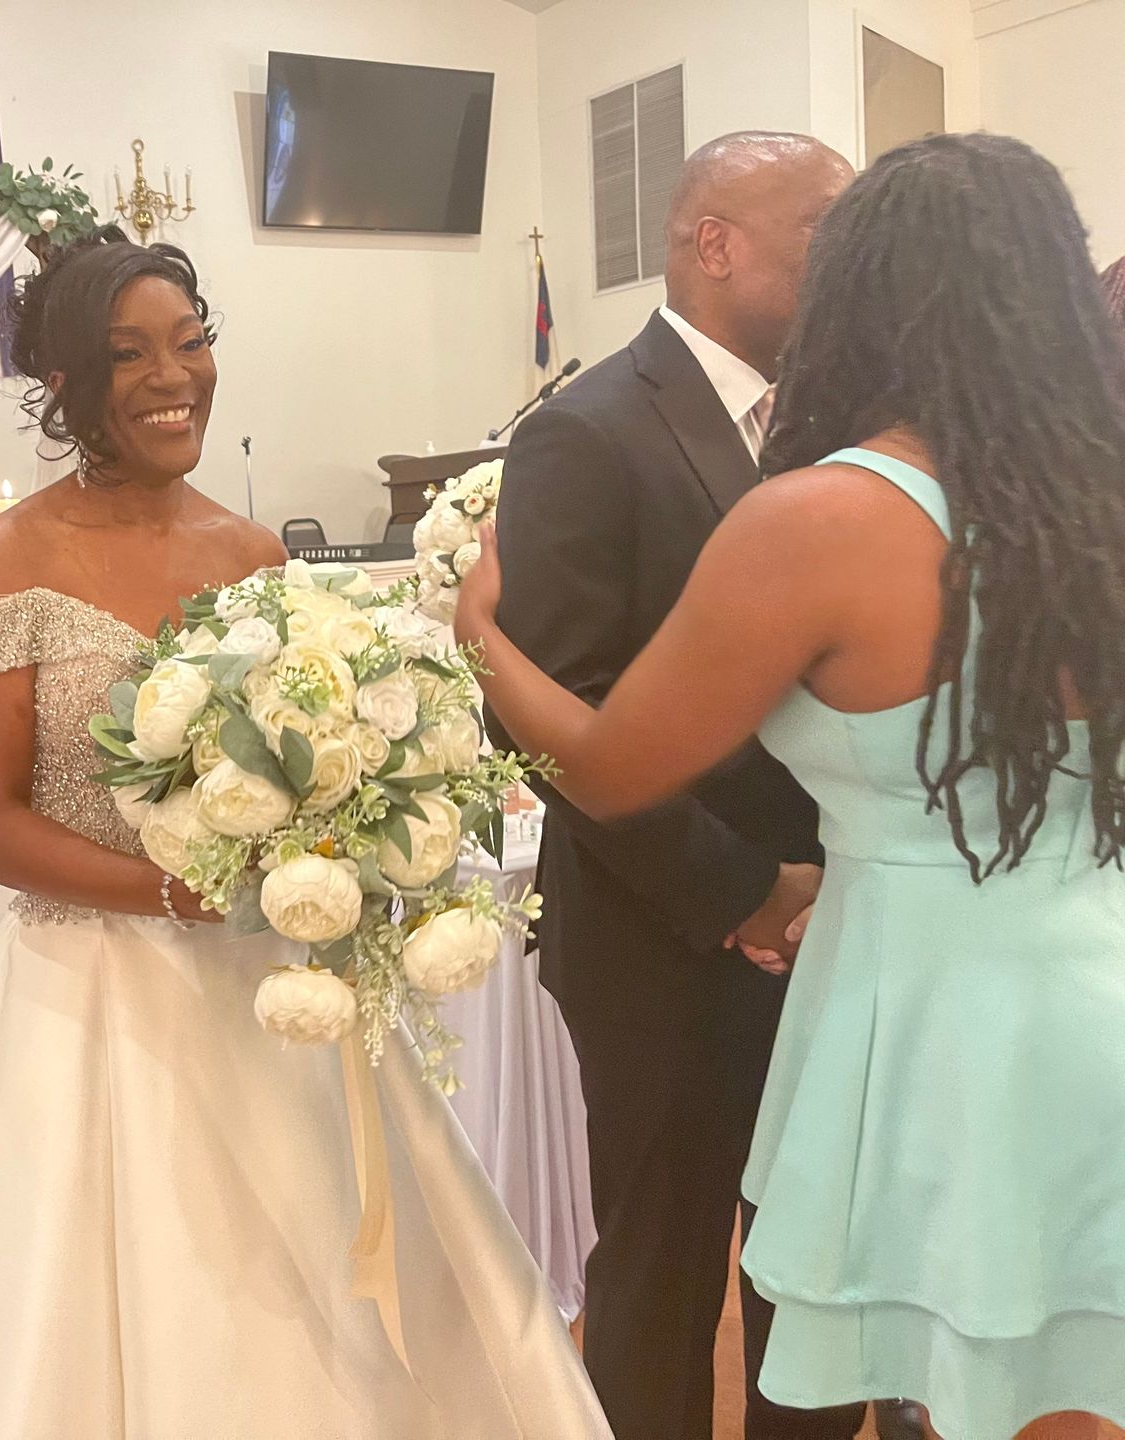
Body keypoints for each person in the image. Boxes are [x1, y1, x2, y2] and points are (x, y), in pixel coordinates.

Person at [0, 228, 611, 1438]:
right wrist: (171, 894)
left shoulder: (252, 553)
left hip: (262, 978)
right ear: (63, 383)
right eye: (131, 354)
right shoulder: (11, 554)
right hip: (83, 992)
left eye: (191, 344)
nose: (174, 377)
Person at [456, 131, 1125, 1440]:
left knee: (965, 1379)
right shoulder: (1085, 499)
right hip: (1082, 972)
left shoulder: (828, 513)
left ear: (879, 285)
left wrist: (481, 635)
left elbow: (603, 756)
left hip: (942, 1010)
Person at [484, 131, 862, 1440]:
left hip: (837, 935)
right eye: (829, 226)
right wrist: (746, 892)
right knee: (658, 1279)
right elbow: (558, 719)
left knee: (813, 1284)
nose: (853, 256)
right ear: (717, 244)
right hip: (664, 947)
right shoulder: (584, 433)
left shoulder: (838, 424)